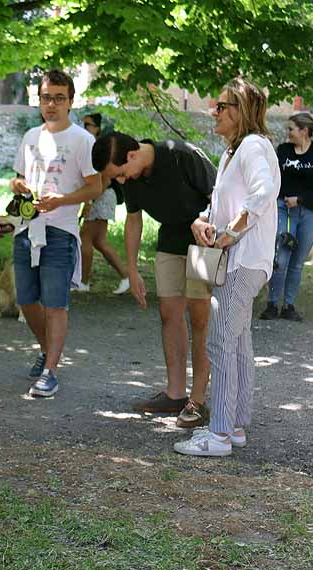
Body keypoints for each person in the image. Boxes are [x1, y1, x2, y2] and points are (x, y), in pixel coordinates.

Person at [175, 78, 280, 457]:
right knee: (237, 344)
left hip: (243, 261)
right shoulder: (234, 151)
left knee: (220, 343)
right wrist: (204, 220)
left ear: (240, 112)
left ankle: (218, 435)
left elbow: (264, 193)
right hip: (241, 260)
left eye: (221, 106)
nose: (213, 112)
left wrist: (232, 232)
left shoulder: (252, 146)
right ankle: (233, 427)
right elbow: (225, 202)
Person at [92, 132, 214, 428]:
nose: (121, 182)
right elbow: (134, 220)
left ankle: (197, 401)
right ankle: (175, 394)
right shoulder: (133, 178)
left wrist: (210, 233)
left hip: (204, 243)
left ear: (132, 156)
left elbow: (220, 197)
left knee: (200, 319)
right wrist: (131, 270)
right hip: (169, 241)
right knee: (168, 314)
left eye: (120, 174)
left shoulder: (181, 155)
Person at [6, 71, 104, 397]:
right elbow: (17, 178)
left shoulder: (81, 140)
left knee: (55, 304)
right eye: (46, 97)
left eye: (59, 98)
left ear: (71, 101)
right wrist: (18, 185)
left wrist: (61, 200)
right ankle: (48, 350)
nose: (52, 104)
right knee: (25, 299)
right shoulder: (31, 136)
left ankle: (51, 371)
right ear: (39, 100)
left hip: (60, 230)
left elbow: (96, 186)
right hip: (26, 227)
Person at [260, 112, 313, 322]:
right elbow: (271, 176)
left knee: (297, 262)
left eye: (291, 129)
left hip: (309, 212)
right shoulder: (282, 151)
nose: (288, 133)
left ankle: (289, 305)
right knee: (281, 258)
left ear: (303, 131)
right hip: (283, 209)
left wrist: (300, 199)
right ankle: (272, 304)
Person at [79, 112, 130, 295]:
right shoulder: (91, 145)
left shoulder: (99, 147)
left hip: (102, 196)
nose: (84, 128)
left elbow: (106, 179)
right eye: (83, 124)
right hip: (102, 196)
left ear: (97, 128)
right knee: (99, 241)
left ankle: (83, 282)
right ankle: (126, 277)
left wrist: (90, 200)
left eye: (88, 125)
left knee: (85, 237)